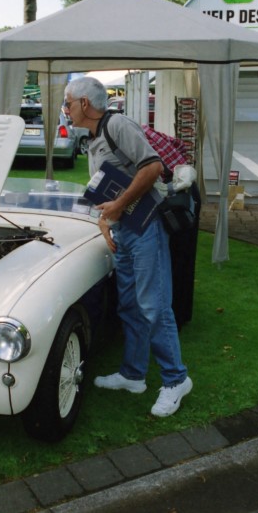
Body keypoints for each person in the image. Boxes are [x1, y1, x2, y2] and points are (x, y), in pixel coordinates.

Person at [63, 76, 192, 418]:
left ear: (85, 104)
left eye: (68, 103)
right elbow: (106, 189)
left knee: (154, 306)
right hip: (124, 232)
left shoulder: (117, 124)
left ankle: (176, 379)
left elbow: (153, 167)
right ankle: (134, 375)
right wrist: (107, 220)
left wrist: (118, 206)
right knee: (131, 306)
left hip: (146, 228)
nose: (66, 109)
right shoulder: (93, 138)